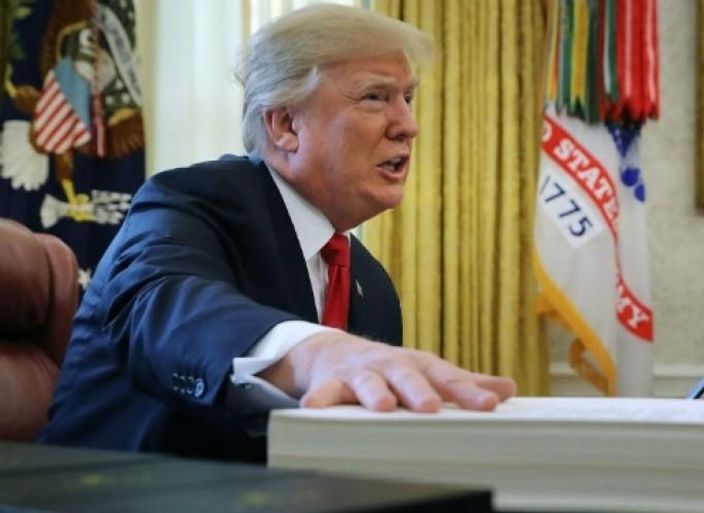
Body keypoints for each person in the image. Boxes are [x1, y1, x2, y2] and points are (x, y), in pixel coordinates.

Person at [38, 5, 516, 463]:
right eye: (375, 97)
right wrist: (315, 354)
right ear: (286, 125)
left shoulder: (373, 287)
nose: (408, 126)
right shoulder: (192, 201)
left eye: (408, 99)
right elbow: (161, 303)